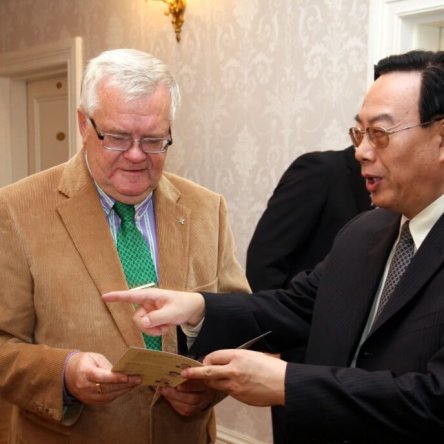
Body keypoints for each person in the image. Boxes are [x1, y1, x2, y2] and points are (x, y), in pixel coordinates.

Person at [103, 49, 444, 443]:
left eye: (380, 134)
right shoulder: (364, 232)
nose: (361, 152)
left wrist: (287, 383)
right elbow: (295, 307)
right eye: (359, 133)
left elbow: (433, 397)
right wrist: (197, 308)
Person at [0, 48, 250, 444]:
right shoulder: (17, 209)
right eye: (117, 137)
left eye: (153, 140)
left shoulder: (207, 209)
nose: (136, 155)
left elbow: (241, 323)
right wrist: (64, 373)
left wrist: (209, 388)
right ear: (84, 124)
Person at [246, 146, 371, 443]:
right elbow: (265, 260)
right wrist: (271, 342)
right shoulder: (319, 171)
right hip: (300, 359)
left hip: (361, 379)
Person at [246, 145, 371, 292]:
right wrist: (278, 306)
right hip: (298, 303)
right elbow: (264, 260)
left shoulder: (391, 195)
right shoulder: (318, 170)